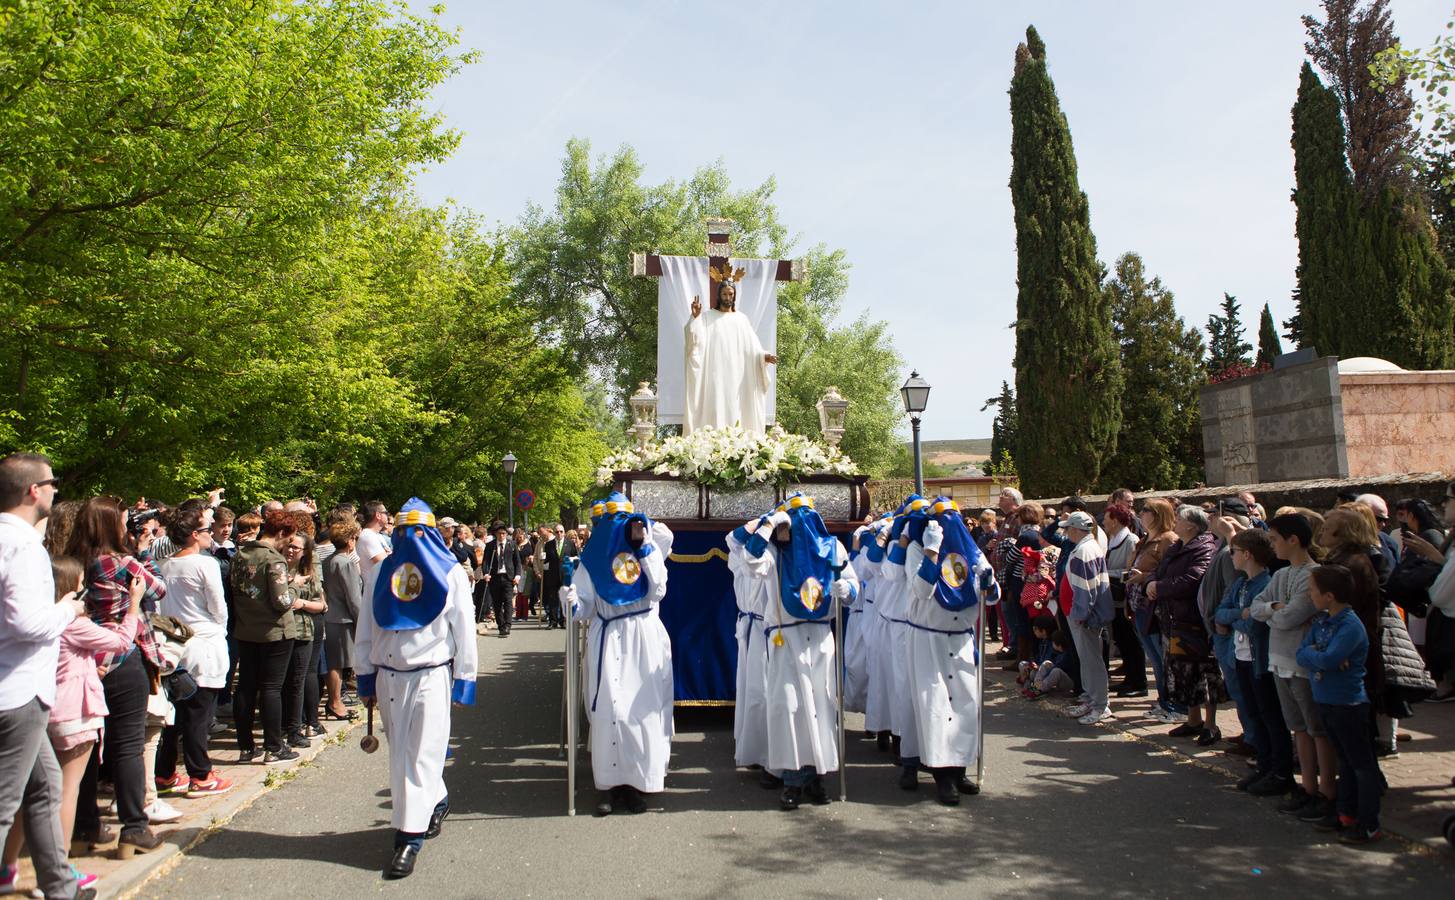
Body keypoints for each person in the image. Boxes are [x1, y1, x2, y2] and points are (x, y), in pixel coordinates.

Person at [355, 499, 478, 879]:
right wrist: (364, 676)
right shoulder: (380, 575)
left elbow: (464, 630)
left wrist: (465, 681)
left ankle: (408, 840)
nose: (410, 540)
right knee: (403, 755)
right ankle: (436, 799)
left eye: (416, 533)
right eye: (401, 531)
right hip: (389, 676)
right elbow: (367, 627)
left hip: (430, 676)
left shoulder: (451, 574)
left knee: (421, 755)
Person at [0, 454, 90, 900]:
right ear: (32, 491)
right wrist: (69, 608)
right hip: (18, 691)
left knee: (46, 787)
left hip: (22, 688)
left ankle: (59, 885)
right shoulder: (21, 546)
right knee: (5, 803)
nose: (57, 490)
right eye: (52, 482)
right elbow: (28, 624)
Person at [65, 495, 168, 858]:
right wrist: (142, 553)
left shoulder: (70, 562)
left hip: (80, 657)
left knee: (84, 747)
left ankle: (82, 827)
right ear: (112, 523)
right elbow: (159, 589)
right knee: (127, 744)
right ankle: (134, 828)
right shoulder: (122, 562)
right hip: (123, 653)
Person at [559, 494, 674, 816]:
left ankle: (637, 783)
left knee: (641, 710)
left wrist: (644, 542)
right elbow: (584, 607)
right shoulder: (592, 559)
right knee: (611, 709)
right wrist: (570, 599)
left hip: (643, 636)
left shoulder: (647, 551)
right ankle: (609, 784)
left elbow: (658, 590)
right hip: (608, 638)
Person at [738, 494, 854, 810]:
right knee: (787, 706)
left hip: (819, 638)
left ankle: (816, 777)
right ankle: (791, 780)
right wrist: (769, 525)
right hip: (784, 639)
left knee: (819, 707)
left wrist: (848, 590)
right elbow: (748, 561)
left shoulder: (833, 548)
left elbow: (853, 584)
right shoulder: (775, 552)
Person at [905, 498, 999, 803]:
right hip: (929, 639)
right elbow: (921, 591)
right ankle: (942, 776)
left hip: (960, 639)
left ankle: (959, 769)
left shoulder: (972, 552)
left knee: (964, 706)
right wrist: (932, 551)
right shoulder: (917, 549)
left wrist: (988, 582)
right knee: (936, 707)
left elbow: (993, 598)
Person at [1251, 513, 1337, 822]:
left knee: (1316, 728)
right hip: (1279, 659)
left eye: (1274, 539)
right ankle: (1308, 787)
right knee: (1297, 727)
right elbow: (1257, 607)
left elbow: (1293, 616)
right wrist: (1274, 608)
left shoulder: (1313, 574)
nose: (1271, 545)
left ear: (1293, 540)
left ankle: (1327, 791)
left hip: (1301, 662)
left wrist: (1273, 612)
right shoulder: (1280, 575)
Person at [1296, 565, 1381, 843]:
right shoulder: (1322, 621)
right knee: (1344, 761)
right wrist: (1318, 654)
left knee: (1360, 765)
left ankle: (1368, 822)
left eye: (1313, 590)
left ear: (1329, 595)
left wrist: (1320, 656)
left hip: (1348, 703)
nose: (1310, 595)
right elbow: (1302, 653)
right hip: (1326, 699)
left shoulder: (1350, 625)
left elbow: (1331, 659)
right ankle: (1345, 813)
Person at [155, 507, 234, 799]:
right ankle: (200, 774)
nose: (209, 532)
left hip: (174, 641)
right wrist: (220, 630)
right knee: (199, 713)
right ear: (193, 535)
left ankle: (164, 772)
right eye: (205, 529)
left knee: (175, 713)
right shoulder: (205, 564)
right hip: (203, 640)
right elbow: (218, 605)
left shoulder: (164, 564)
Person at [1219, 528, 1288, 794]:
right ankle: (1263, 766)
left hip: (1259, 659)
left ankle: (1278, 771)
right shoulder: (1240, 583)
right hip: (1240, 658)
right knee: (1253, 714)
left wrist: (1241, 618)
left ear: (1247, 554)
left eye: (1234, 551)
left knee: (1269, 716)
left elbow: (1257, 625)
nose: (1231, 556)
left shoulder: (1266, 584)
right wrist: (1242, 614)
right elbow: (1221, 613)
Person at [232, 509, 303, 765]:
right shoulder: (274, 560)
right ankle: (274, 746)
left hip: (246, 629)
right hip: (274, 631)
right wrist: (296, 585)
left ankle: (246, 747)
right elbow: (282, 600)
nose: (289, 544)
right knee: (272, 688)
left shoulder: (240, 555)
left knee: (245, 687)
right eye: (289, 538)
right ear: (282, 533)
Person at [1149, 506, 1222, 743]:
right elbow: (1160, 571)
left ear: (1191, 525)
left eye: (1179, 519)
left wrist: (1159, 588)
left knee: (1204, 672)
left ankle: (1210, 724)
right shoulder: (1177, 546)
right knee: (1183, 671)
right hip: (1174, 619)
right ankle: (1193, 719)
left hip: (1194, 620)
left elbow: (1192, 579)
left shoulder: (1204, 548)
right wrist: (1152, 582)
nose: (1175, 522)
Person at [682, 276, 777, 434]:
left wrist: (763, 356)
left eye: (731, 294)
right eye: (725, 294)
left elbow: (752, 348)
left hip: (737, 377)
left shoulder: (741, 319)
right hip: (715, 375)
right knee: (716, 407)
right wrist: (695, 317)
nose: (728, 298)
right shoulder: (707, 317)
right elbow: (693, 342)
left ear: (735, 296)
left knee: (736, 409)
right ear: (719, 295)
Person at [1126, 499, 1181, 723]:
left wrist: (1145, 577)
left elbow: (1170, 573)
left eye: (1146, 510)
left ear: (1158, 514)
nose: (1141, 513)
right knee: (1156, 659)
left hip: (1156, 608)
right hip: (1140, 605)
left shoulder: (1169, 540)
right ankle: (1163, 701)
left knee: (1164, 657)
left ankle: (1175, 704)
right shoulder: (1144, 540)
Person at [727, 516, 773, 774]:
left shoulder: (773, 557)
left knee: (765, 692)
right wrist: (761, 522)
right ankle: (755, 748)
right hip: (752, 628)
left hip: (768, 629)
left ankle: (767, 750)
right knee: (754, 691)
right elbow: (732, 538)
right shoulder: (741, 556)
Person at [1060, 511, 1114, 725]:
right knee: (1088, 660)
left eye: (1067, 528)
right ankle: (1093, 700)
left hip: (1084, 616)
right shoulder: (1086, 548)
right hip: (1081, 615)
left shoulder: (1085, 551)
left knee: (1092, 661)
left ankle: (1100, 705)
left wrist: (1079, 614)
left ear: (1075, 529)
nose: (1065, 532)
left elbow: (1086, 588)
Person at [281, 532, 327, 745]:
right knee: (283, 682)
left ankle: (307, 723)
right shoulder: (277, 569)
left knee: (302, 677)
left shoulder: (309, 574)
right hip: (280, 632)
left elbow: (321, 605)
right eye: (289, 545)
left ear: (305, 553)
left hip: (303, 629)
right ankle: (289, 726)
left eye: (296, 547)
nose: (291, 549)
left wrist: (301, 604)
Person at [1102, 503, 1146, 697]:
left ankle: (1138, 682)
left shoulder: (1130, 540)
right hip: (1113, 598)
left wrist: (1105, 573)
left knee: (1131, 641)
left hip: (1124, 599)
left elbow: (1130, 571)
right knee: (1121, 638)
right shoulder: (1111, 539)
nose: (1103, 521)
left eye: (1107, 518)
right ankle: (1129, 678)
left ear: (1116, 520)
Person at [322, 518, 362, 721]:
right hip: (342, 618)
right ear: (350, 541)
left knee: (336, 662)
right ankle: (335, 702)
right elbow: (353, 597)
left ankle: (335, 700)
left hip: (332, 616)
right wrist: (362, 620)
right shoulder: (345, 563)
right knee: (337, 663)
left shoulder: (328, 560)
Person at [481, 523, 519, 637]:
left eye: (503, 533)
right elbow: (485, 562)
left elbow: (517, 562)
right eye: (499, 533)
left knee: (508, 601)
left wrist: (517, 575)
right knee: (497, 603)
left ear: (506, 534)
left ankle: (507, 624)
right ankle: (501, 625)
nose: (501, 535)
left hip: (508, 577)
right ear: (496, 534)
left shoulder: (512, 544)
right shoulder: (490, 546)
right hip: (495, 577)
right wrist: (486, 573)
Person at [1024, 629, 1077, 699]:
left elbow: (1055, 668)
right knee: (1046, 663)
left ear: (1059, 645)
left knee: (1056, 671)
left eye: (1053, 642)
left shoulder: (1067, 656)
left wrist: (1043, 678)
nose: (1052, 644)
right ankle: (1036, 688)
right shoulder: (1058, 653)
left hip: (1068, 683)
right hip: (1057, 681)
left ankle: (1039, 689)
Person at [537, 524, 566, 629]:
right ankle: (553, 622)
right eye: (557, 532)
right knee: (553, 599)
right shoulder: (549, 544)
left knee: (563, 599)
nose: (559, 534)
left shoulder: (569, 544)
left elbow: (574, 557)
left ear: (564, 532)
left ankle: (563, 621)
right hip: (552, 575)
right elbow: (546, 560)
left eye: (561, 531)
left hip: (565, 576)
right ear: (554, 532)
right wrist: (542, 561)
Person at [356, 501, 391, 585]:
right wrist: (389, 554)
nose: (388, 515)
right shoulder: (368, 536)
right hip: (374, 591)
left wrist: (389, 555)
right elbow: (386, 564)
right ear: (378, 515)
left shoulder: (376, 535)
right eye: (385, 513)